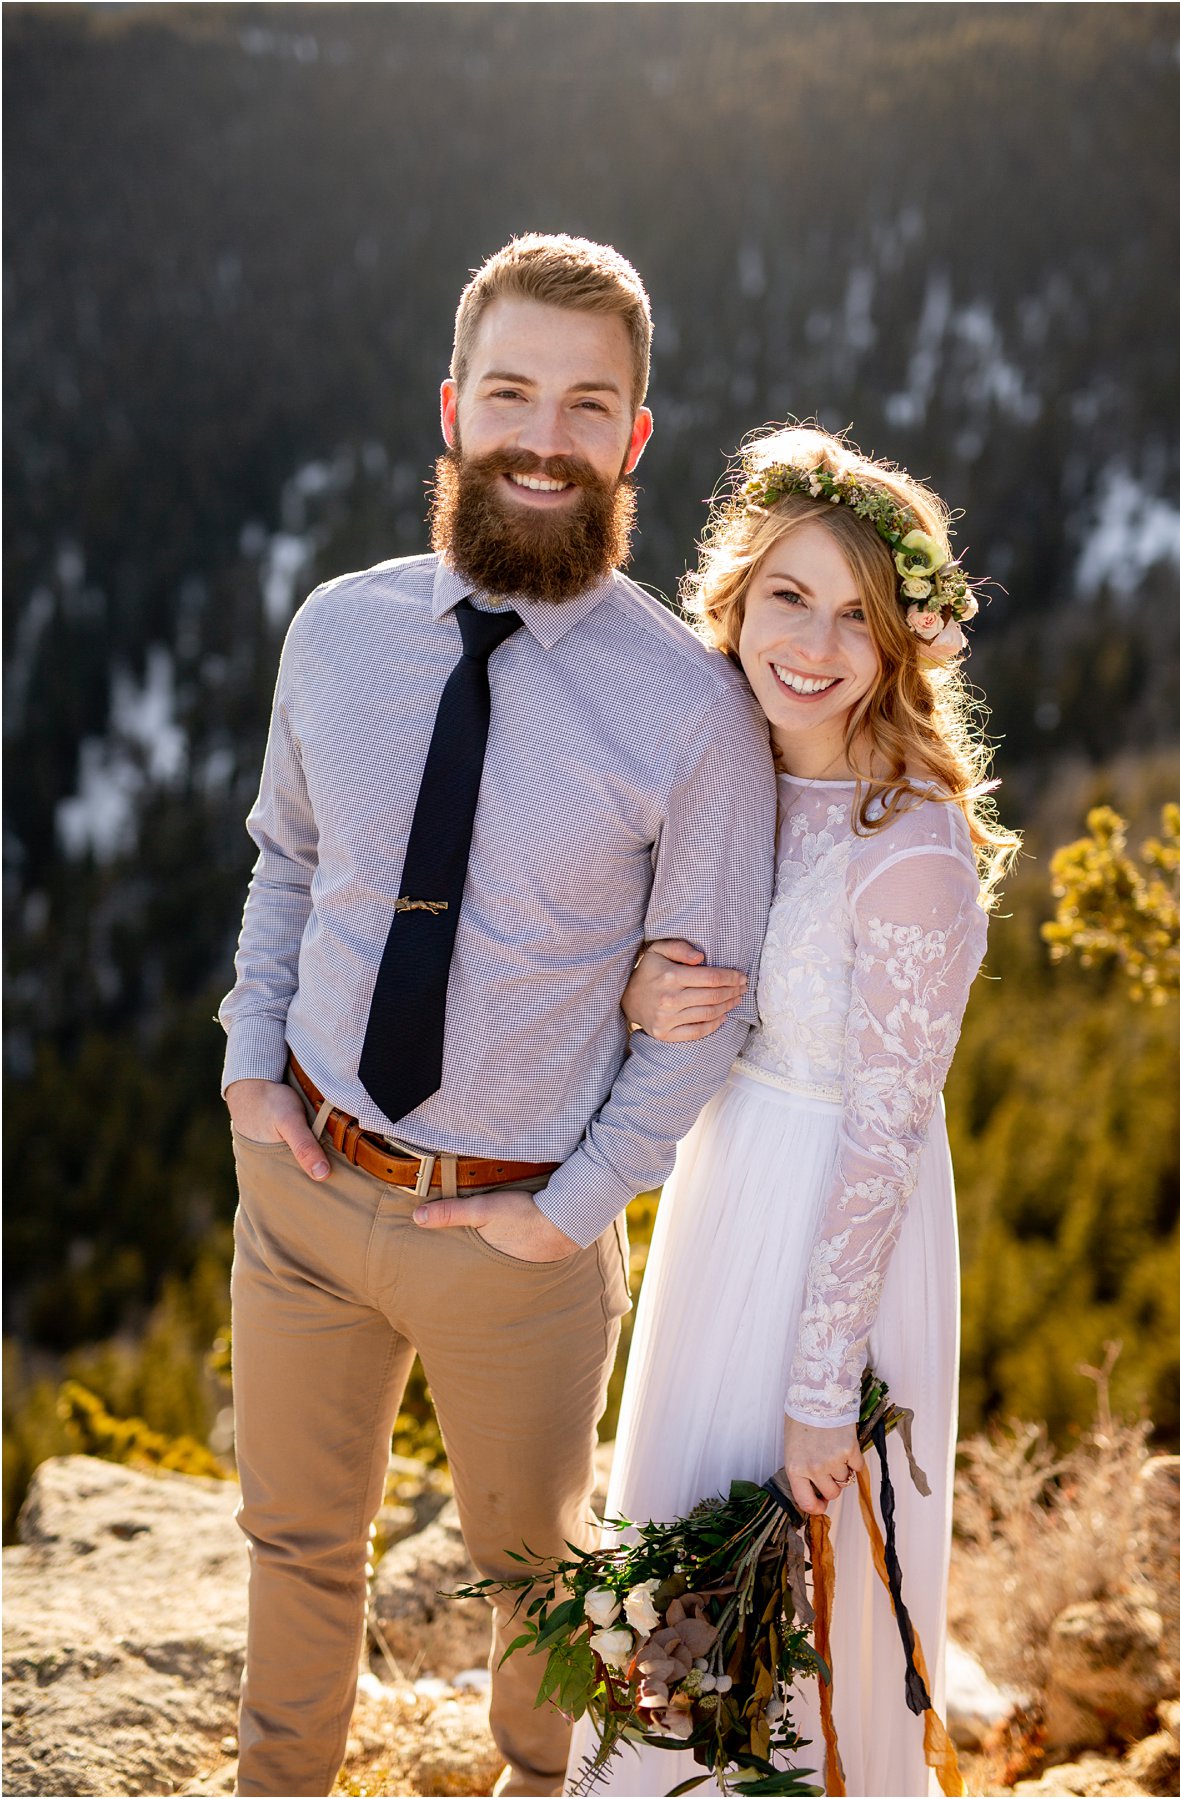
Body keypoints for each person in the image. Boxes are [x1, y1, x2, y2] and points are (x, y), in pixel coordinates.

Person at [217, 234, 777, 1796]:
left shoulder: (692, 715)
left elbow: (704, 1016)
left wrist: (572, 1214)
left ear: (633, 441)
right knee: (294, 1543)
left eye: (588, 406)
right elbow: (286, 859)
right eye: (515, 392)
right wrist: (249, 1070)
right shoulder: (338, 629)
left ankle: (544, 1785)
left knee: (536, 1581)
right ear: (454, 408)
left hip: (519, 1237)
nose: (546, 436)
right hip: (305, 1189)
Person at [568, 424, 1011, 1798]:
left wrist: (826, 1395)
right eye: (788, 599)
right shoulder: (729, 775)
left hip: (838, 1244)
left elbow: (884, 1137)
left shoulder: (913, 850)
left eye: (855, 617)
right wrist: (642, 990)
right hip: (722, 1205)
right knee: (682, 1570)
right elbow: (657, 960)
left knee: (805, 1595)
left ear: (901, 645)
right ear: (735, 603)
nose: (813, 644)